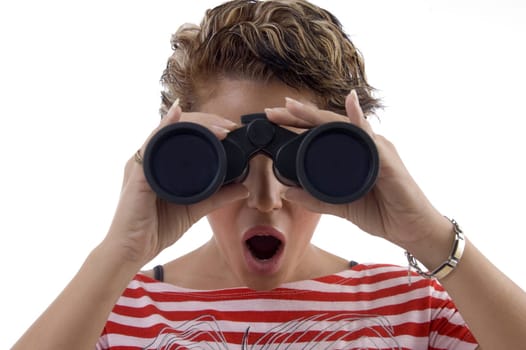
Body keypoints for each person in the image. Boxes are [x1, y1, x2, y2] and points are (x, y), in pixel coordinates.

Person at [12, 0, 526, 349]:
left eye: (299, 160)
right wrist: (117, 256)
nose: (265, 198)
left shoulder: (416, 308)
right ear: (182, 155)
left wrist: (431, 236)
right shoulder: (109, 316)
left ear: (348, 161)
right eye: (226, 163)